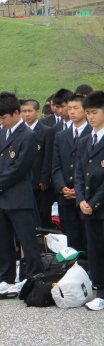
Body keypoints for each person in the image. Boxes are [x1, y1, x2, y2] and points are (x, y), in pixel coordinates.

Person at [0, 91, 43, 299]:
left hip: (18, 197)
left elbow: (19, 168)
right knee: (2, 241)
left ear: (16, 113)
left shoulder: (28, 135)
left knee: (27, 241)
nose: (1, 121)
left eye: (4, 117)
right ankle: (6, 278)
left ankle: (33, 279)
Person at [75, 91, 104, 311]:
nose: (90, 117)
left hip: (100, 204)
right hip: (87, 206)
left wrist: (93, 202)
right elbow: (78, 173)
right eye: (88, 113)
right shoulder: (85, 140)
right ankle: (99, 289)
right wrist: (81, 199)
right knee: (94, 250)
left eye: (94, 112)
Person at [52, 94, 92, 253]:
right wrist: (62, 187)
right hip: (66, 196)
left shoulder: (93, 133)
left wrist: (79, 190)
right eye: (69, 108)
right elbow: (56, 166)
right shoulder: (61, 135)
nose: (72, 112)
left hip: (86, 197)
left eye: (76, 108)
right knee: (71, 238)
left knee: (89, 239)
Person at [21, 99, 55, 229]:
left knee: (42, 213)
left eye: (29, 111)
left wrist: (45, 179)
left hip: (39, 180)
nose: (26, 114)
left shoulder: (46, 130)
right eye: (24, 111)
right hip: (24, 180)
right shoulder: (20, 130)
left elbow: (48, 155)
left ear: (37, 112)